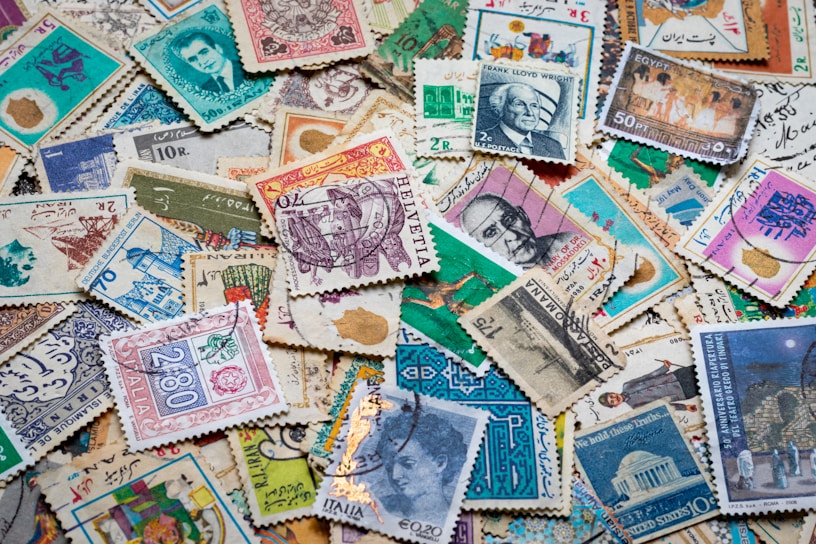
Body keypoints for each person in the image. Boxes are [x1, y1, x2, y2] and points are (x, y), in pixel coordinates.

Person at [375, 410, 467, 527]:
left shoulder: (459, 520)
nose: (395, 475)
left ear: (440, 463)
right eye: (389, 464)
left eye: (407, 463)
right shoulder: (374, 506)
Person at [460, 193, 577, 269]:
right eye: (491, 233)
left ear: (523, 216)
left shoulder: (569, 242)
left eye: (509, 219)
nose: (512, 235)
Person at [475, 81, 566, 159]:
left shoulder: (554, 146)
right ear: (499, 108)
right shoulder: (479, 139)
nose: (530, 113)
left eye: (534, 105)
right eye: (519, 104)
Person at [597, 360, 698, 412]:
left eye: (611, 396)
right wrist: (685, 407)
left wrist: (664, 368)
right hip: (683, 391)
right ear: (614, 406)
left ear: (612, 392)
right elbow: (664, 406)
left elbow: (648, 377)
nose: (615, 398)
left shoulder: (627, 385)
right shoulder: (636, 406)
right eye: (612, 401)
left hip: (677, 375)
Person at [171, 32, 244, 94]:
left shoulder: (246, 67)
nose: (203, 62)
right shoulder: (205, 89)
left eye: (204, 52)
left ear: (218, 48)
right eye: (193, 59)